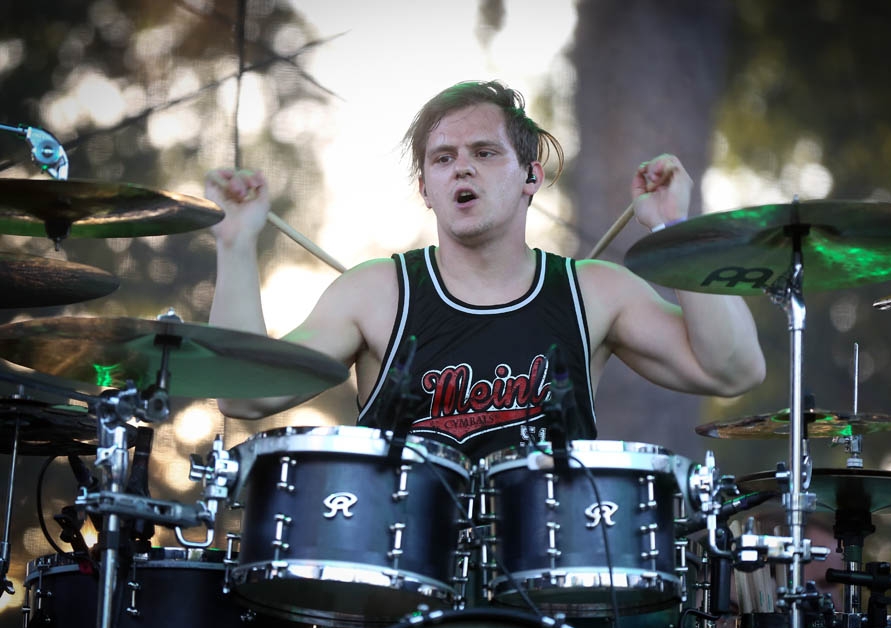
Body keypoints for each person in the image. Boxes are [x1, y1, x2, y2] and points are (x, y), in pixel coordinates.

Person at [204, 80, 766, 462]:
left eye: (485, 152)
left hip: (548, 585)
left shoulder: (593, 291)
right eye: (443, 158)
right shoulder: (375, 293)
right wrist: (235, 244)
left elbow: (733, 370)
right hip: (403, 586)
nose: (462, 168)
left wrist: (675, 231)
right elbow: (242, 397)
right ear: (426, 189)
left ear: (531, 176)